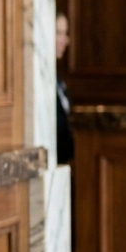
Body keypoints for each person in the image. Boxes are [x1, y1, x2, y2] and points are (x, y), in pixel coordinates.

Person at [54, 12, 75, 163]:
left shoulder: (57, 78)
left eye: (65, 33)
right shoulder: (39, 80)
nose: (66, 40)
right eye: (59, 33)